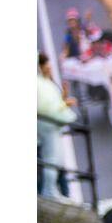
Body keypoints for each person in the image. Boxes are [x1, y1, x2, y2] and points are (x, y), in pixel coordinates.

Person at [37, 52, 77, 198]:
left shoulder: (44, 83)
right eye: (47, 65)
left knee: (55, 162)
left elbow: (51, 105)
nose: (49, 68)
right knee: (51, 161)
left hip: (46, 130)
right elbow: (47, 108)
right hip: (45, 130)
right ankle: (48, 193)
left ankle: (54, 193)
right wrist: (65, 103)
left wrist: (64, 98)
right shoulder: (40, 84)